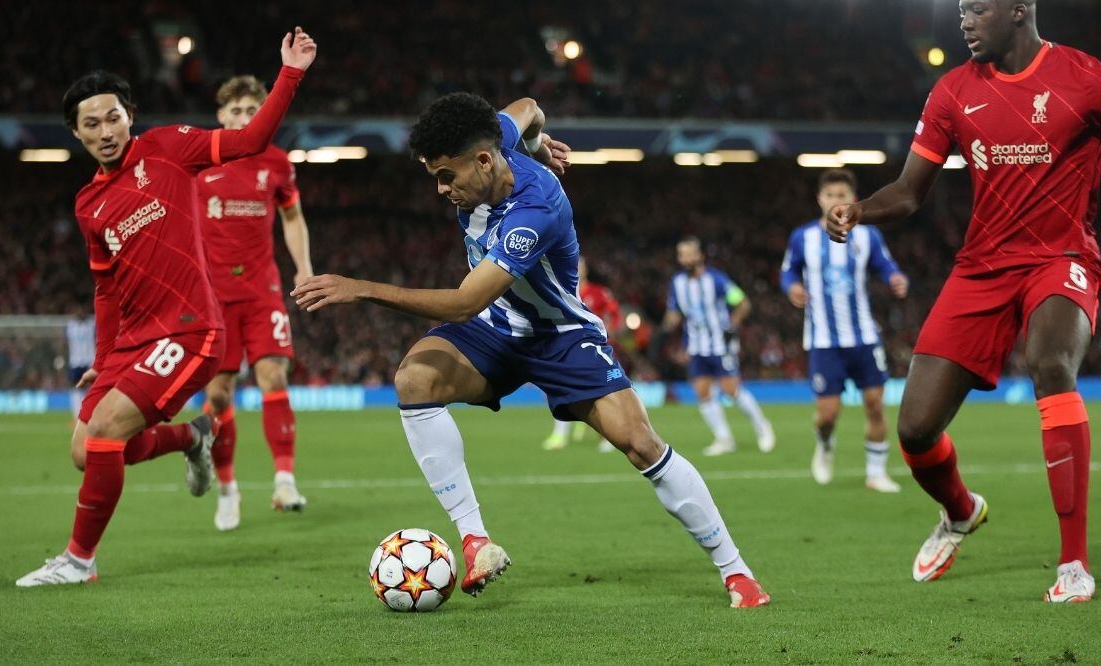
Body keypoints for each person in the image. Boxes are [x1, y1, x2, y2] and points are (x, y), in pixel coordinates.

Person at [292, 93, 770, 607]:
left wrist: (360, 287)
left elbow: (462, 302)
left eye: (446, 176)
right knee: (414, 380)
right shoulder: (495, 136)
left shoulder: (535, 210)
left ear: (482, 162)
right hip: (496, 328)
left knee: (640, 443)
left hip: (559, 335)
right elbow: (529, 106)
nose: (440, 189)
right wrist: (539, 142)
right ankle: (475, 541)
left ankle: (736, 572)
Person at [826, 0, 1101, 603]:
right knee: (914, 429)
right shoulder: (953, 91)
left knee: (1050, 364)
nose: (963, 22)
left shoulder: (1087, 78)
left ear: (1018, 11)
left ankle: (1073, 564)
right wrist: (860, 209)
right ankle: (960, 511)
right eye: (961, 11)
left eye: (975, 10)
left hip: (1060, 258)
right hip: (982, 266)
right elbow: (909, 192)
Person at [16, 27, 317, 587]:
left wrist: (290, 73)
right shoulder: (89, 205)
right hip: (133, 340)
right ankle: (192, 436)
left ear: (129, 115)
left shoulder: (167, 147)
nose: (105, 131)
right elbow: (106, 293)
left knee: (107, 430)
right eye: (91, 124)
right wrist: (105, 363)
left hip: (190, 331)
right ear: (75, 134)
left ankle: (79, 560)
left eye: (112, 118)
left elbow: (250, 139)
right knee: (87, 451)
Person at [197, 75, 314, 531]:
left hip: (262, 290)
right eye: (238, 111)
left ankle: (284, 479)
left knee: (273, 374)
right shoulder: (200, 162)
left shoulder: (277, 163)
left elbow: (293, 217)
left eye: (253, 110)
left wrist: (303, 266)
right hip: (212, 297)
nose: (246, 118)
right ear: (222, 116)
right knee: (218, 393)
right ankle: (227, 489)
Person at [781, 168, 907, 493]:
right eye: (830, 195)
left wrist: (896, 278)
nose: (836, 200)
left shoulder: (868, 235)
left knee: (876, 404)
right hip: (824, 340)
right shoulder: (803, 238)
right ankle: (824, 445)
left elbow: (886, 265)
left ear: (852, 200)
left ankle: (876, 473)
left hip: (864, 336)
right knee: (826, 415)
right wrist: (793, 287)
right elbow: (788, 272)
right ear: (820, 199)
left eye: (842, 195)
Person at [661, 238, 775, 456]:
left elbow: (742, 302)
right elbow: (674, 313)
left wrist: (732, 325)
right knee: (703, 392)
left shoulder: (716, 280)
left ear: (699, 256)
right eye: (681, 255)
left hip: (721, 345)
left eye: (689, 254)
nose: (685, 259)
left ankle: (763, 427)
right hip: (696, 346)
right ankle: (724, 439)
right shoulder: (677, 283)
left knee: (731, 390)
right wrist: (663, 331)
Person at [542, 256, 623, 451]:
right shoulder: (558, 289)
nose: (577, 268)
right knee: (558, 386)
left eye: (581, 265)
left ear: (586, 269)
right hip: (566, 347)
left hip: (594, 348)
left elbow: (615, 315)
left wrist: (606, 334)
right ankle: (560, 434)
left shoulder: (599, 292)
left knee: (602, 392)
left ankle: (606, 436)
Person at [65, 309, 96, 418]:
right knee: (76, 388)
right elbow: (65, 343)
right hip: (75, 363)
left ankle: (90, 413)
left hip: (89, 362)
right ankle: (76, 415)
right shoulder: (70, 326)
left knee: (92, 388)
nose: (80, 312)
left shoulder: (92, 324)